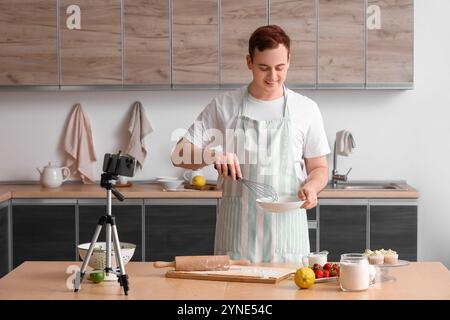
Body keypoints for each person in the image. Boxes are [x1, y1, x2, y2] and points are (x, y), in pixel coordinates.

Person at [171, 25, 330, 263]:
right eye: (264, 68)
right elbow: (178, 154)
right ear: (249, 62)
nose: (273, 76)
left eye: (280, 68)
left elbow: (319, 168)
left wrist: (314, 187)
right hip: (237, 238)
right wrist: (212, 155)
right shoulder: (224, 105)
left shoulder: (306, 109)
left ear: (289, 61)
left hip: (288, 239)